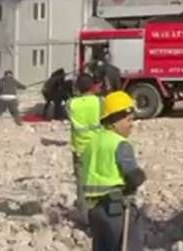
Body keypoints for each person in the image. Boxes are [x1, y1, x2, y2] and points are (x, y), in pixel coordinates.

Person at [80, 90, 146, 251]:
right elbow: (134, 177)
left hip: (95, 210)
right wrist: (141, 175)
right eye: (129, 120)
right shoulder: (120, 144)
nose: (132, 124)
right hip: (116, 209)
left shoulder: (92, 143)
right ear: (115, 121)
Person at [69, 73, 103, 221]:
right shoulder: (99, 102)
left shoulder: (71, 104)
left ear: (77, 87)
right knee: (100, 179)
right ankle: (100, 214)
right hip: (97, 146)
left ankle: (84, 217)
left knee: (81, 183)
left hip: (79, 148)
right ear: (92, 86)